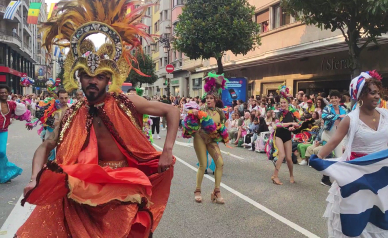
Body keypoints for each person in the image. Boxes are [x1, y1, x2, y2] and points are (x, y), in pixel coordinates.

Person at [17, 1, 179, 237]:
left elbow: (172, 111)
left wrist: (167, 149)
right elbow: (46, 145)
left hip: (123, 183)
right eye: (87, 76)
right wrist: (34, 179)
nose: (93, 81)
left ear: (108, 79)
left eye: (100, 76)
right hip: (84, 188)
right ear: (79, 78)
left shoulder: (127, 101)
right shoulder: (70, 114)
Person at [316, 70, 388, 237]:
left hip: (383, 176)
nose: (377, 97)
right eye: (372, 93)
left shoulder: (385, 114)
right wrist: (318, 157)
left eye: (378, 93)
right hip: (360, 178)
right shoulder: (350, 119)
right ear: (360, 95)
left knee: (385, 220)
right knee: (360, 222)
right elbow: (333, 142)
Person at [182, 73, 229, 204]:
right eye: (207, 98)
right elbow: (189, 115)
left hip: (212, 140)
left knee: (220, 163)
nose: (208, 100)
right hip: (200, 138)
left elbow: (224, 127)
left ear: (216, 99)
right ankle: (197, 190)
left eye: (210, 98)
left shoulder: (220, 112)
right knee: (203, 164)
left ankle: (216, 191)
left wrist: (221, 129)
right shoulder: (200, 109)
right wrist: (193, 113)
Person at [0, 85, 31, 183]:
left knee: (1, 152)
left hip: (3, 131)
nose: (3, 94)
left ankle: (8, 171)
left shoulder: (12, 104)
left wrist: (29, 121)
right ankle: (3, 174)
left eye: (5, 92)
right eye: (1, 92)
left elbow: (24, 113)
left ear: (8, 93)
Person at [271, 83, 299, 185]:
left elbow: (299, 123)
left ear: (288, 103)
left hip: (287, 136)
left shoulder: (293, 113)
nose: (282, 104)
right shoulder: (278, 113)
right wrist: (291, 123)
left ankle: (291, 175)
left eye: (284, 103)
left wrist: (294, 127)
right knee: (281, 155)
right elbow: (278, 124)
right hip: (278, 135)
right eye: (281, 103)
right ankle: (275, 176)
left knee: (289, 158)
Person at [321, 90, 347, 158]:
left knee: (339, 157)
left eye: (335, 97)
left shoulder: (344, 109)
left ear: (339, 99)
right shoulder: (327, 108)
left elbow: (348, 119)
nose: (333, 100)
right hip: (327, 134)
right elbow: (323, 116)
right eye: (332, 98)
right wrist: (337, 116)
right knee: (325, 156)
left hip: (338, 135)